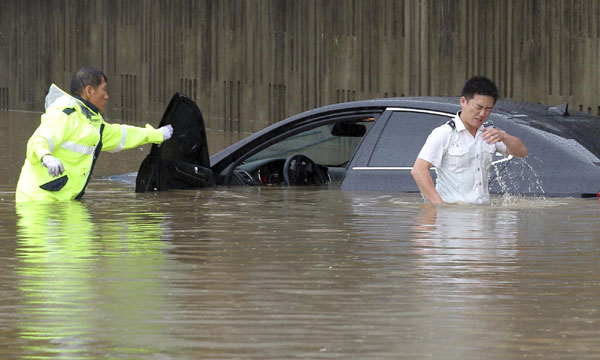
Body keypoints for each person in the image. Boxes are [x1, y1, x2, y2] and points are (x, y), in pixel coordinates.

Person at [15, 66, 174, 202]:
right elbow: (38, 140)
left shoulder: (94, 126)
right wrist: (47, 157)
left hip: (59, 201)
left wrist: (157, 134)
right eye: (104, 89)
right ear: (89, 91)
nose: (107, 96)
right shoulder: (63, 116)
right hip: (37, 201)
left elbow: (122, 135)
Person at [411, 76, 527, 204]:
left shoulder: (491, 133)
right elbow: (419, 170)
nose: (482, 114)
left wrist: (505, 137)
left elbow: (521, 153)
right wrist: (440, 206)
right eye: (478, 107)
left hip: (482, 216)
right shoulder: (444, 133)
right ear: (463, 102)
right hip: (452, 217)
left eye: (488, 109)